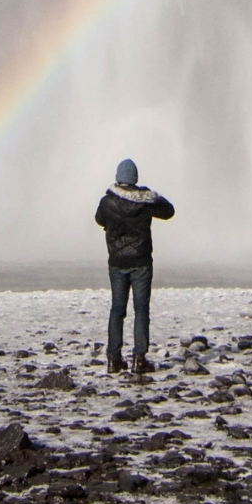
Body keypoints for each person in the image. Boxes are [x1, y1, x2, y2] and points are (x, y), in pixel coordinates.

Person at [94, 157, 174, 376]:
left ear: (118, 178)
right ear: (135, 179)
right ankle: (139, 359)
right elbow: (168, 211)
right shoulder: (145, 201)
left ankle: (113, 358)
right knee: (141, 310)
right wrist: (152, 195)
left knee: (117, 309)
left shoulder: (107, 202)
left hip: (117, 263)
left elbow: (99, 220)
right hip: (141, 263)